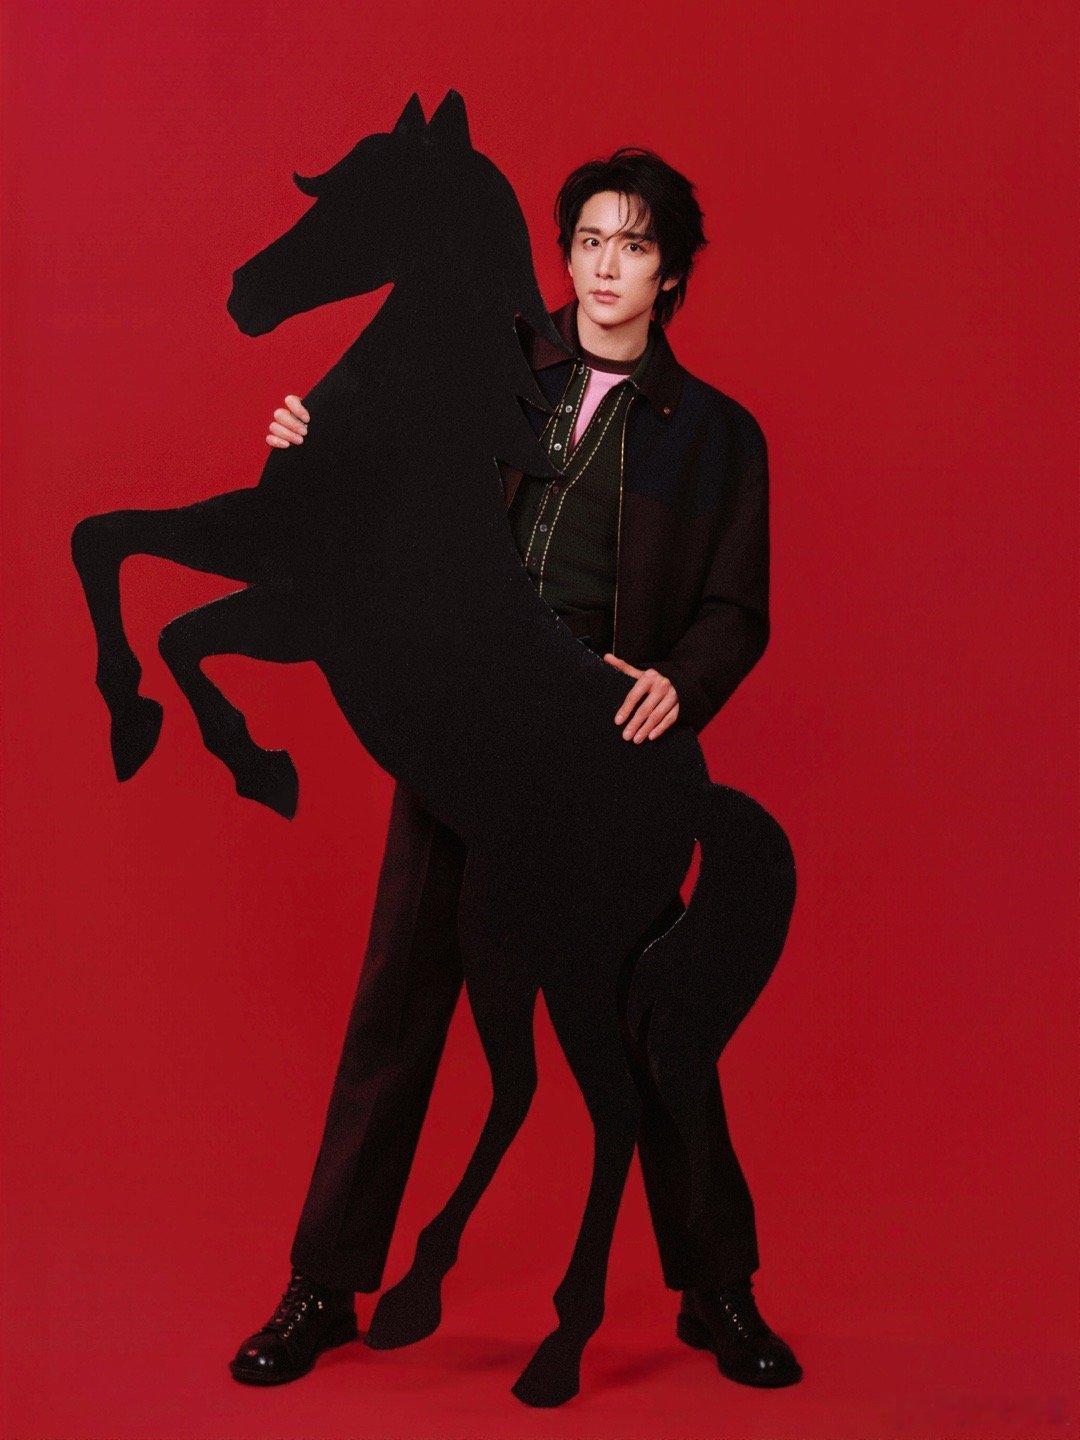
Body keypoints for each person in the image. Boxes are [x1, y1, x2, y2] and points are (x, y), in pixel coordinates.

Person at [229, 148, 802, 1391]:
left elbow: (735, 609)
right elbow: (370, 476)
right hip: (463, 720)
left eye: (633, 246)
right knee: (398, 1003)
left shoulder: (716, 436)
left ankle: (719, 1291)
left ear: (671, 274)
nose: (605, 267)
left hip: (604, 753)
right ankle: (323, 1286)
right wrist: (307, 435)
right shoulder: (479, 357)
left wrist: (682, 681)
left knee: (649, 1015)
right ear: (565, 253)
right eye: (589, 241)